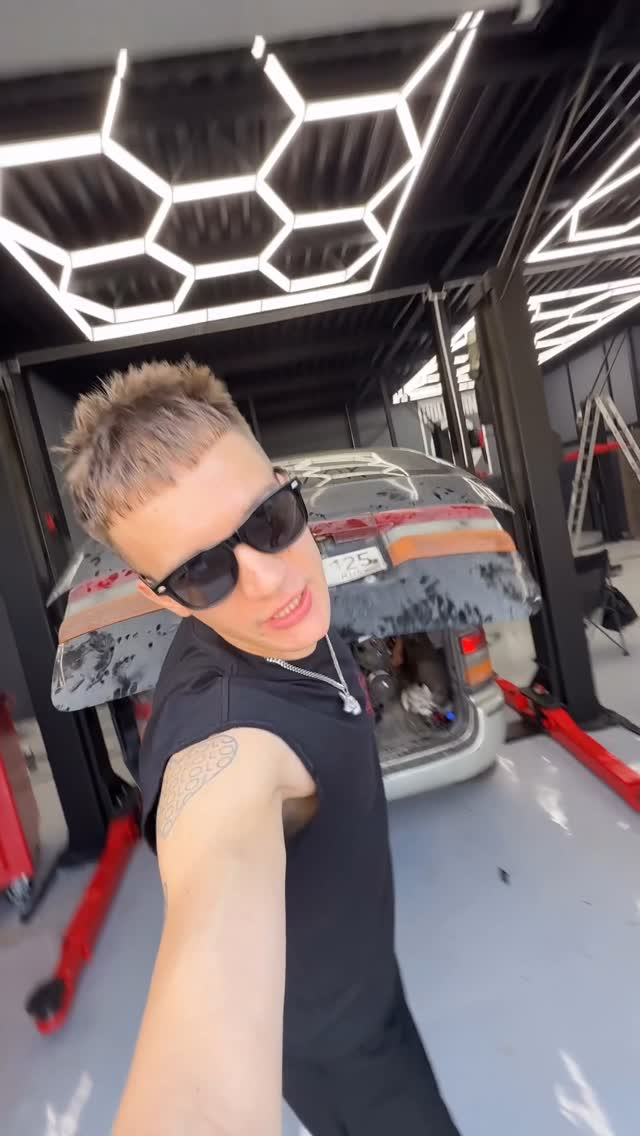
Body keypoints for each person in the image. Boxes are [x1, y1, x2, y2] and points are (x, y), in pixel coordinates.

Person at [61, 359, 461, 1136]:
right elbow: (216, 890)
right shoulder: (223, 738)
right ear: (159, 596)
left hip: (370, 993)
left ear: (287, 488)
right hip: (346, 1064)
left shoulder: (300, 617)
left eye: (270, 520)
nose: (270, 581)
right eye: (202, 573)